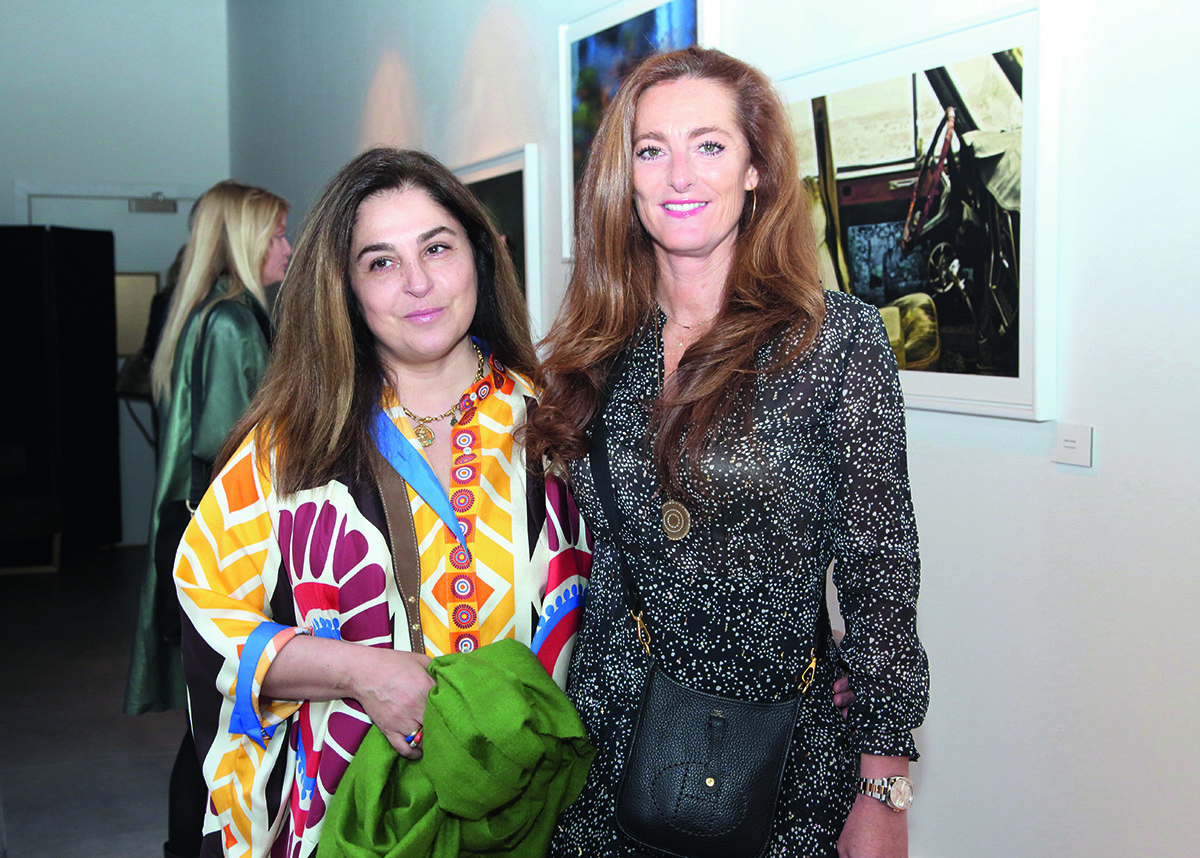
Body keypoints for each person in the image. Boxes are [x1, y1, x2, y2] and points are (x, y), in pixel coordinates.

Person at [524, 47, 929, 857]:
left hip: (777, 760)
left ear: (755, 171)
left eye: (709, 145)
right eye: (651, 150)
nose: (679, 174)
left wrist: (883, 786)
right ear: (625, 178)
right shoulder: (593, 353)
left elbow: (881, 577)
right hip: (609, 754)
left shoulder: (831, 340)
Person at [174, 148, 591, 858]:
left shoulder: (558, 428)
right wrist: (362, 672)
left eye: (437, 247)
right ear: (345, 289)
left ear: (480, 259)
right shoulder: (289, 446)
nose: (419, 284)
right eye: (380, 262)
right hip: (346, 815)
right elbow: (208, 619)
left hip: (533, 813)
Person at [124, 180, 290, 858]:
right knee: (212, 727)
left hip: (206, 532)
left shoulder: (227, 312)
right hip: (225, 543)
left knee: (210, 721)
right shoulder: (231, 320)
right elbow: (231, 452)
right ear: (248, 239)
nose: (287, 247)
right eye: (277, 234)